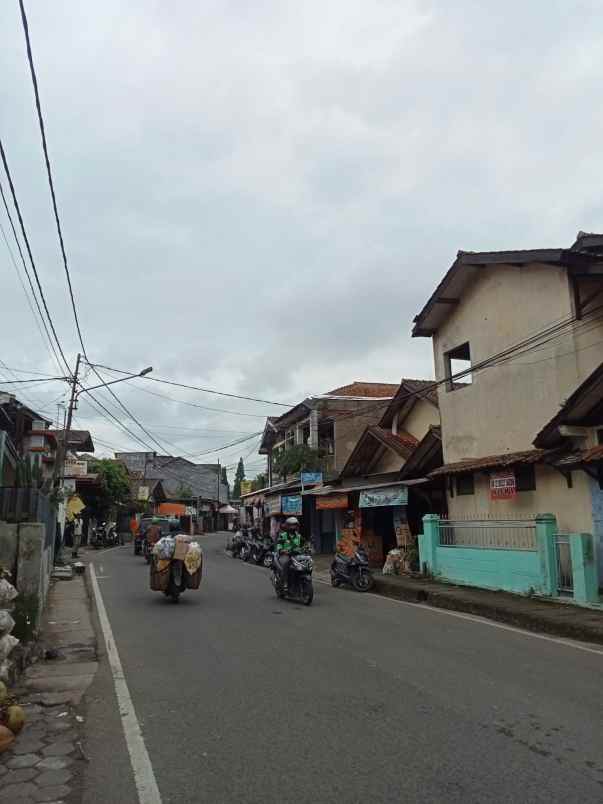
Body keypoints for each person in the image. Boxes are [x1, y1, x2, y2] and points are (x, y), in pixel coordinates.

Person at [276, 516, 302, 590]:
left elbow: (304, 544)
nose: (293, 527)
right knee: (286, 563)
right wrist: (282, 550)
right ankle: (285, 582)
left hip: (297, 555)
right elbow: (279, 545)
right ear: (287, 526)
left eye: (295, 525)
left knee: (307, 561)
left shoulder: (298, 536)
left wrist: (308, 547)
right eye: (291, 525)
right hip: (286, 555)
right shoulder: (283, 535)